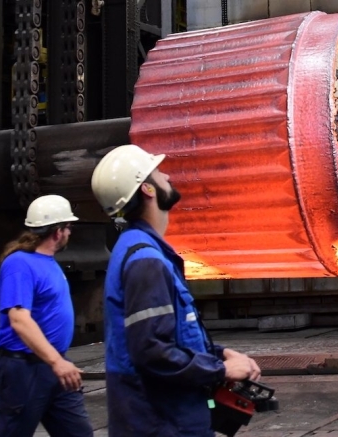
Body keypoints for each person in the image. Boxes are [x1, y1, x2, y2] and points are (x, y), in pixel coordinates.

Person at [91, 144, 261, 437]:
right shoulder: (147, 262)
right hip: (162, 422)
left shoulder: (137, 249)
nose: (166, 175)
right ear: (147, 189)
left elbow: (169, 335)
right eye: (157, 172)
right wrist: (221, 371)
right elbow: (151, 351)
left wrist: (217, 354)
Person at [0, 194, 93, 437]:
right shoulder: (19, 264)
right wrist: (56, 361)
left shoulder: (48, 262)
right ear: (57, 232)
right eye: (68, 227)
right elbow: (19, 319)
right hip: (23, 371)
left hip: (56, 370)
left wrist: (58, 362)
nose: (69, 233)